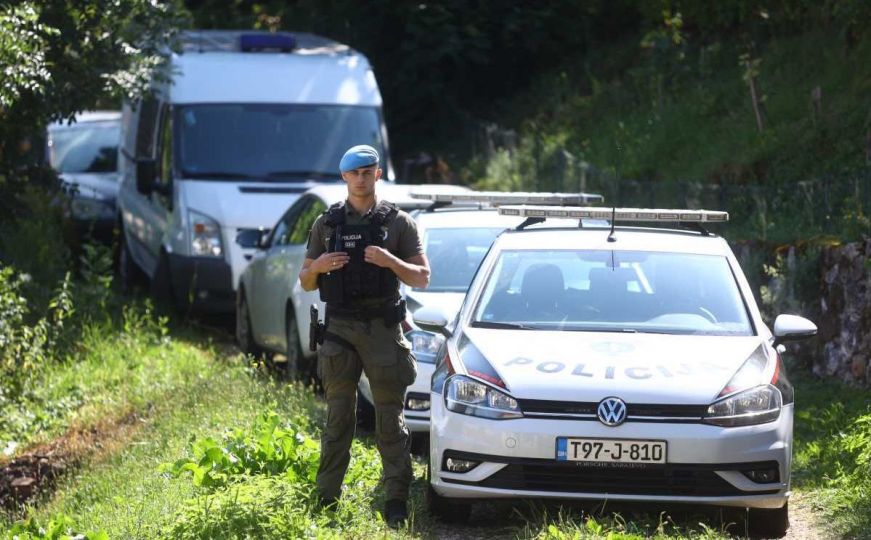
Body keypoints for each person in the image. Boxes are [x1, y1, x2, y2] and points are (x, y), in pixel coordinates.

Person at [298, 144, 430, 526]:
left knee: (390, 419)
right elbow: (305, 281)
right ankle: (326, 501)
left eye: (367, 171)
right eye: (354, 173)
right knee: (339, 418)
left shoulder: (399, 223)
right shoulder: (326, 224)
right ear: (344, 177)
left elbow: (422, 276)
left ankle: (396, 501)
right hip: (339, 329)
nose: (360, 178)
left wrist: (390, 261)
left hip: (382, 330)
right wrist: (319, 265)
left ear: (377, 174)